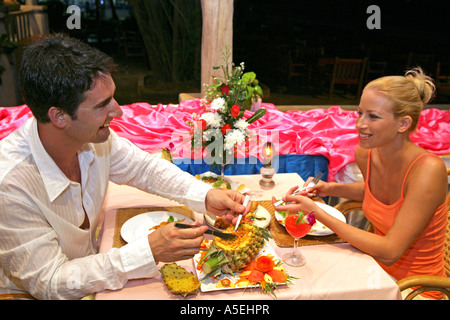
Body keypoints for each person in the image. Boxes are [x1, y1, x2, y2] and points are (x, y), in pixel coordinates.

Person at [0, 33, 250, 299]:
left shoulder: (92, 138)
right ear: (59, 116)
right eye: (102, 105)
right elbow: (50, 281)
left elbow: (145, 169)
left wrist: (206, 195)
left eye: (113, 97)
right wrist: (148, 251)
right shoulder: (10, 185)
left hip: (92, 273)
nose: (119, 111)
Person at [274, 67, 448, 299]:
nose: (359, 124)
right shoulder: (367, 154)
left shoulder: (428, 170)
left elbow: (389, 252)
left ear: (403, 124)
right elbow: (375, 192)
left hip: (414, 289)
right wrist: (329, 188)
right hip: (371, 271)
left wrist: (316, 212)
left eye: (372, 116)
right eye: (359, 113)